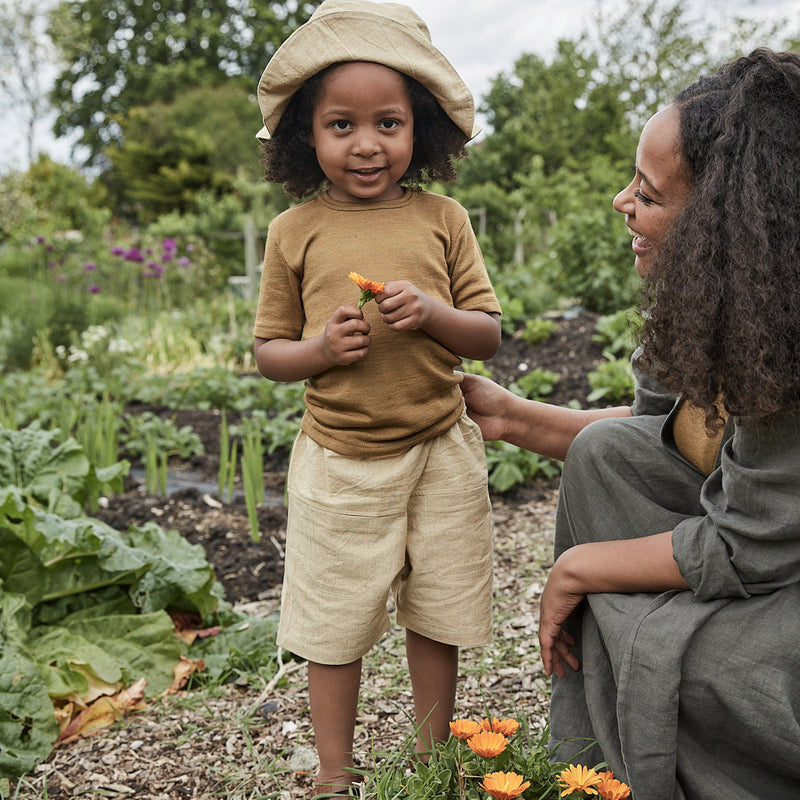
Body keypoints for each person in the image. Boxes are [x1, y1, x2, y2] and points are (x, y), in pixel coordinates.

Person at [462, 48, 800, 799]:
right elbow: (658, 430)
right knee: (606, 455)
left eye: (647, 194)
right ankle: (595, 759)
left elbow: (750, 546)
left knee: (716, 671)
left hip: (780, 576)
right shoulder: (719, 302)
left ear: (725, 223)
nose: (623, 203)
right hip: (756, 550)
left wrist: (578, 568)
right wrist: (509, 415)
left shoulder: (790, 343)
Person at [251, 2, 502, 794]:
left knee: (439, 609)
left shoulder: (444, 218)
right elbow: (268, 353)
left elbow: (487, 335)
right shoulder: (294, 230)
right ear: (306, 136)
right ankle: (334, 771)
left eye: (388, 123)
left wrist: (432, 314)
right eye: (341, 125)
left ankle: (434, 760)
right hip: (339, 457)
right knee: (334, 622)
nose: (366, 144)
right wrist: (320, 351)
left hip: (439, 447)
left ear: (420, 129)